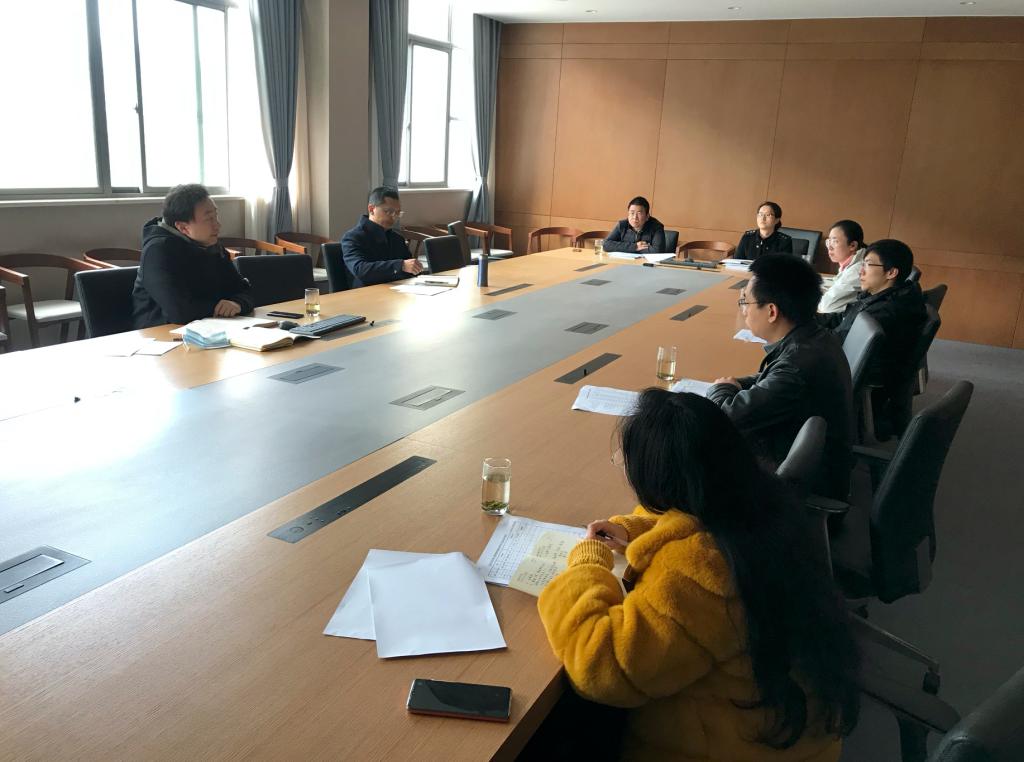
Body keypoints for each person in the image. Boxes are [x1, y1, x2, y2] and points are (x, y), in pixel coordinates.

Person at [537, 389, 860, 762]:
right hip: (789, 732)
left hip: (731, 749)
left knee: (563, 726)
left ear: (659, 481)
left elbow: (603, 667)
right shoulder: (760, 505)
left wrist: (587, 564)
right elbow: (680, 519)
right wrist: (634, 529)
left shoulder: (699, 570)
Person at [707, 254, 853, 500]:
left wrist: (721, 389)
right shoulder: (815, 337)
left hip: (797, 491)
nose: (744, 310)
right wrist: (738, 384)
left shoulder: (796, 366)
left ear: (772, 311)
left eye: (745, 302)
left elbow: (724, 418)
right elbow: (773, 379)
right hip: (809, 465)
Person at [821, 239, 927, 435]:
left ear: (891, 273)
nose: (860, 272)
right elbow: (843, 318)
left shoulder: (881, 313)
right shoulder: (886, 295)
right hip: (856, 361)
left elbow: (837, 342)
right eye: (862, 264)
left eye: (868, 265)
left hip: (851, 372)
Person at [132, 184, 254, 329]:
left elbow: (243, 290)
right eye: (209, 219)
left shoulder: (210, 244)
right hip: (160, 334)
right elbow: (180, 312)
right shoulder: (157, 251)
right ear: (183, 227)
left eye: (216, 216)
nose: (217, 225)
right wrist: (219, 307)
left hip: (212, 328)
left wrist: (237, 304)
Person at [340, 187, 423, 288]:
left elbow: (410, 269)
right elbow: (360, 269)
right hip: (366, 293)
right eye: (389, 211)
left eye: (397, 213)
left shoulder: (397, 238)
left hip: (397, 291)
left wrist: (415, 268)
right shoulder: (352, 237)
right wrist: (400, 266)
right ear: (371, 209)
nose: (394, 217)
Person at [818, 220, 866, 314]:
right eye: (829, 241)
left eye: (835, 241)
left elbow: (826, 306)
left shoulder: (858, 270)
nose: (829, 247)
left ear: (852, 245)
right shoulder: (851, 263)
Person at [602, 197, 667, 254]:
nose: (635, 217)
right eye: (632, 213)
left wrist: (622, 247)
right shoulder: (622, 225)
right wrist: (635, 247)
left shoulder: (656, 227)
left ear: (647, 216)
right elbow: (606, 245)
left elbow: (658, 251)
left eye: (639, 213)